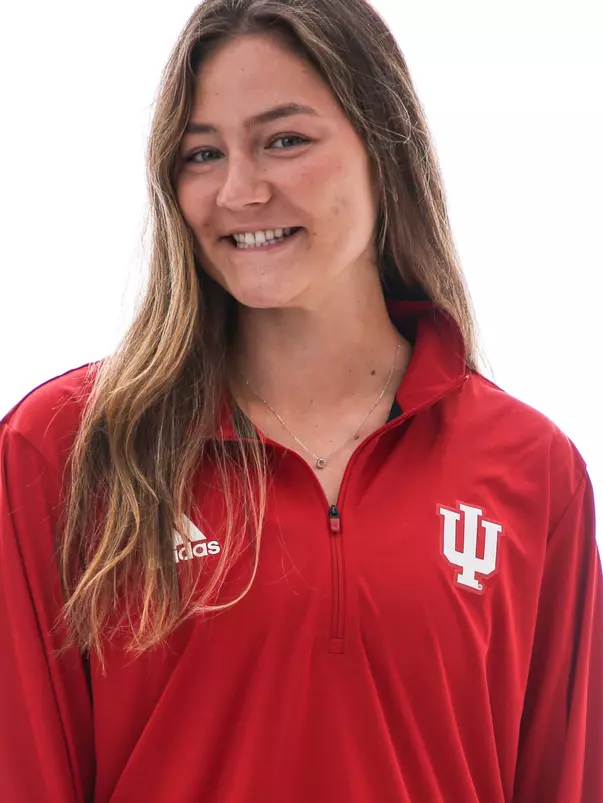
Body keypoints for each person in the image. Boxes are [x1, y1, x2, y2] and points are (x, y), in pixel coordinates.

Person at [1, 0, 601, 800]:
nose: (240, 191)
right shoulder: (68, 447)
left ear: (384, 148)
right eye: (201, 153)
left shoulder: (531, 470)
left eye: (284, 140)